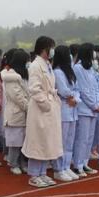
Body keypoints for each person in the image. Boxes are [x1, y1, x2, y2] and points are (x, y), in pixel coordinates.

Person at [22, 36, 63, 188]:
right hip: (40, 108)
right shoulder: (35, 65)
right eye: (50, 47)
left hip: (50, 107)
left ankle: (43, 172)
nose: (52, 50)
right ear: (43, 48)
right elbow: (34, 88)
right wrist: (45, 103)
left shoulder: (47, 65)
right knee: (38, 141)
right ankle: (34, 174)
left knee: (47, 141)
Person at [72, 43, 99, 177]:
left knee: (89, 138)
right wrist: (94, 105)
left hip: (94, 109)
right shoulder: (77, 68)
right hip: (84, 109)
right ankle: (77, 165)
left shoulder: (90, 69)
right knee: (82, 138)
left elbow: (96, 87)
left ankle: (84, 163)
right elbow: (83, 90)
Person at [52, 46, 81, 181]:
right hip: (63, 109)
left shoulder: (70, 72)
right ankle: (58, 169)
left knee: (70, 141)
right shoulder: (57, 72)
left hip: (73, 108)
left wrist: (75, 98)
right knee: (61, 142)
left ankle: (66, 166)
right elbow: (63, 90)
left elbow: (77, 89)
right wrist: (72, 96)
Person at [2, 49, 30, 175]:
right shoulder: (11, 77)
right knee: (15, 142)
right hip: (15, 113)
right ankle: (13, 163)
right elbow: (17, 96)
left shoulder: (23, 75)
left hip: (24, 113)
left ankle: (22, 162)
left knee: (23, 141)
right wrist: (29, 107)